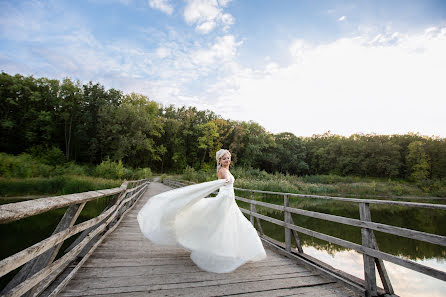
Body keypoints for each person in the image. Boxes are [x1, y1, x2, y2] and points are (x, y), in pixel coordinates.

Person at [137, 149, 267, 273]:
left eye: (228, 158)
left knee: (230, 224)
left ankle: (227, 250)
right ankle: (213, 248)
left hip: (229, 200)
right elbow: (223, 182)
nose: (227, 160)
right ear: (219, 161)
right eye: (224, 158)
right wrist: (225, 180)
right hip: (225, 199)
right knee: (219, 224)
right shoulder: (222, 171)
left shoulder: (226, 169)